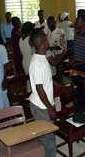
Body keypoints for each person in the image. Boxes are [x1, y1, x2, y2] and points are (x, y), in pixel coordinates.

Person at [29, 29, 56, 157]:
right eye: (47, 38)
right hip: (41, 106)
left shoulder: (42, 58)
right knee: (48, 139)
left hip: (44, 103)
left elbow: (45, 83)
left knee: (45, 135)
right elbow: (39, 88)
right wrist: (50, 108)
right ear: (44, 42)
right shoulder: (37, 63)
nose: (48, 39)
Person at [72, 14, 85, 111]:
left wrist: (79, 63)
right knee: (78, 89)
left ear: (84, 23)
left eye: (78, 21)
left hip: (84, 66)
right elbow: (75, 49)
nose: (76, 22)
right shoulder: (76, 34)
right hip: (75, 65)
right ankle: (80, 109)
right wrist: (72, 59)